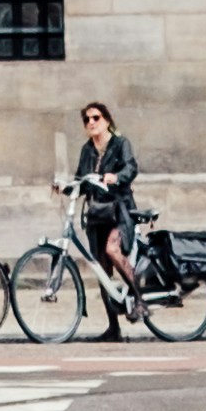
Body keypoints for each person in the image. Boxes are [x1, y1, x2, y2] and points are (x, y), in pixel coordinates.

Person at [74, 99, 142, 331]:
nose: (91, 122)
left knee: (112, 250)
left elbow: (131, 168)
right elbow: (80, 180)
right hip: (97, 214)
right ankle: (113, 327)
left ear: (107, 121)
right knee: (101, 270)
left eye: (96, 118)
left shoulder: (120, 143)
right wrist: (65, 187)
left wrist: (117, 177)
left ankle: (139, 299)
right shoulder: (87, 150)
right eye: (87, 120)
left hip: (120, 210)